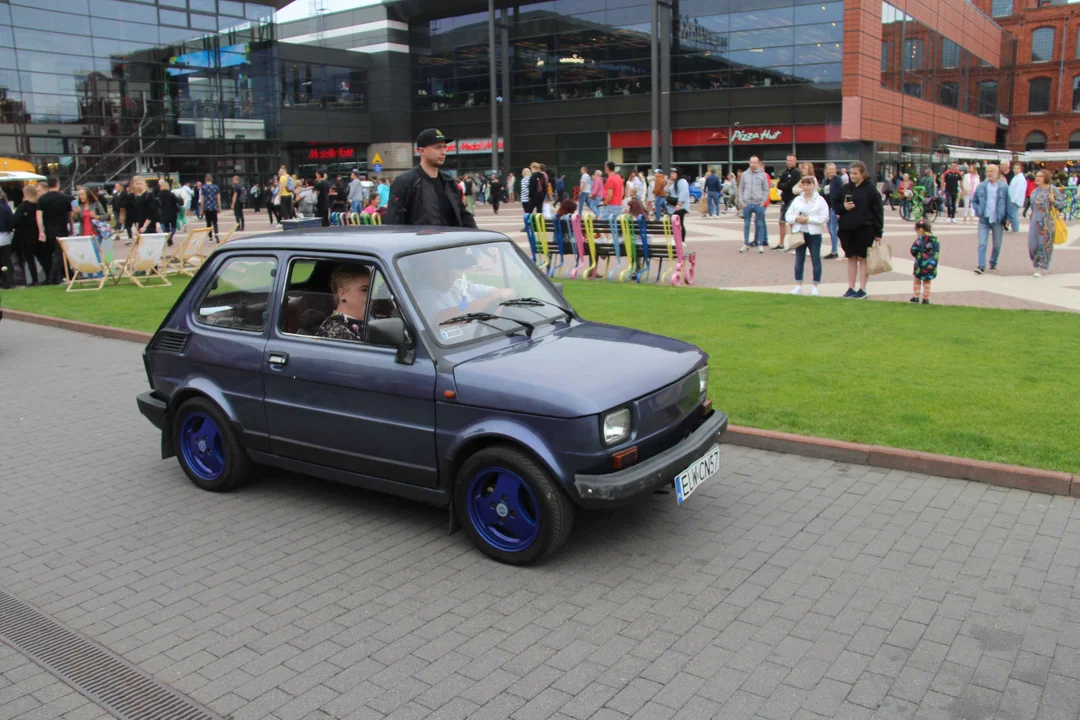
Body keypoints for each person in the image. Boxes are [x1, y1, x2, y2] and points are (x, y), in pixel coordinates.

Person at [386, 128, 478, 228]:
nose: (443, 152)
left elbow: (463, 215)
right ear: (422, 151)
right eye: (438, 147)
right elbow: (394, 221)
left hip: (450, 241)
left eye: (444, 147)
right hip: (421, 242)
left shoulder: (449, 182)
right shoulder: (405, 182)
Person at [834, 160, 883, 299]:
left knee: (862, 258)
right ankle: (850, 287)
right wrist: (844, 207)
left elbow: (878, 212)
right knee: (850, 257)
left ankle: (862, 288)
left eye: (855, 173)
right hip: (847, 228)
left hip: (865, 228)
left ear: (863, 173)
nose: (853, 176)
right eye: (851, 173)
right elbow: (836, 206)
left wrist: (878, 232)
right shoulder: (845, 188)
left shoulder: (871, 190)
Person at [784, 175, 829, 296]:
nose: (806, 187)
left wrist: (809, 219)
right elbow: (788, 215)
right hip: (800, 233)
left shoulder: (820, 200)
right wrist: (796, 218)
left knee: (815, 258)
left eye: (808, 184)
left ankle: (815, 285)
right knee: (799, 259)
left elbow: (824, 217)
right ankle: (798, 284)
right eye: (803, 185)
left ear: (814, 186)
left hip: (814, 233)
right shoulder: (797, 200)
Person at [316, 264, 371, 341]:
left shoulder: (367, 320)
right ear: (342, 294)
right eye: (364, 290)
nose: (372, 296)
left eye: (372, 290)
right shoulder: (336, 332)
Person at [970, 163, 1007, 274]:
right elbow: (974, 200)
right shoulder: (981, 186)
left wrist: (1008, 218)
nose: (989, 173)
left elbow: (1008, 203)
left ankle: (993, 262)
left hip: (997, 219)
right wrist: (977, 210)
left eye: (992, 171)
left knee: (996, 244)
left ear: (997, 173)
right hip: (984, 219)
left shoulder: (1003, 187)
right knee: (982, 243)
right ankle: (981, 265)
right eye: (988, 171)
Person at [36, 176, 73, 284]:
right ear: (57, 184)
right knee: (59, 254)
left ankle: (68, 274)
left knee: (56, 253)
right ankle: (53, 278)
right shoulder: (65, 198)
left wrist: (41, 231)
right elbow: (69, 215)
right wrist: (71, 226)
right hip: (62, 229)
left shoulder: (42, 199)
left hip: (49, 229)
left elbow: (38, 216)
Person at [1028, 169, 1064, 277]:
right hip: (1035, 221)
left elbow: (1062, 204)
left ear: (1046, 178)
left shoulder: (1052, 190)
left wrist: (1053, 201)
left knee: (1044, 245)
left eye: (1040, 176)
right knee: (1032, 245)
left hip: (1047, 222)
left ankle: (1041, 266)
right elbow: (1032, 206)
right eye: (1037, 176)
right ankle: (1036, 262)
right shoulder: (1034, 191)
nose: (1037, 178)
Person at [738, 156, 769, 253]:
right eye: (751, 162)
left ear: (758, 163)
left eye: (755, 162)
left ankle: (760, 244)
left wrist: (763, 201)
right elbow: (741, 188)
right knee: (746, 224)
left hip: (758, 203)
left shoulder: (763, 175)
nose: (753, 164)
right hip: (747, 203)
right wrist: (741, 201)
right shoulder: (744, 174)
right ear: (749, 163)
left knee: (760, 224)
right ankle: (745, 243)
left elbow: (766, 189)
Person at [13, 185, 41, 285]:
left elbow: (16, 221)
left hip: (25, 236)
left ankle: (34, 279)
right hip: (39, 234)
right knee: (42, 257)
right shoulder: (39, 205)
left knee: (30, 259)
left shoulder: (23, 207)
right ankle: (49, 276)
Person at [910, 218, 939, 304]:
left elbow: (913, 250)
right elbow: (937, 252)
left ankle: (916, 296)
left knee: (917, 279)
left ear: (921, 230)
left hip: (920, 264)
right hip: (931, 265)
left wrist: (918, 255)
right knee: (927, 281)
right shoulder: (935, 241)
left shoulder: (920, 240)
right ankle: (926, 298)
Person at [776, 154, 802, 250]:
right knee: (781, 222)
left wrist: (785, 185)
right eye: (788, 160)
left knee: (792, 222)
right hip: (784, 199)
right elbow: (779, 185)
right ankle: (781, 244)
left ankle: (793, 244)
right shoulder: (785, 172)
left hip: (792, 199)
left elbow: (791, 186)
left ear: (795, 161)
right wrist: (785, 185)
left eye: (791, 160)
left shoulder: (796, 172)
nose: (789, 162)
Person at [821, 163, 844, 259]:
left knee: (833, 229)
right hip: (827, 207)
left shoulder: (838, 180)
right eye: (829, 169)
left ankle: (835, 251)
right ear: (826, 170)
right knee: (830, 230)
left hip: (835, 207)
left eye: (833, 169)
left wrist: (840, 207)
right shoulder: (825, 181)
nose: (831, 171)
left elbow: (842, 192)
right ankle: (834, 249)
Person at [667, 168, 690, 238]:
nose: (672, 175)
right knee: (673, 223)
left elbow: (684, 192)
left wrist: (679, 204)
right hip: (673, 205)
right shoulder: (673, 182)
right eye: (671, 173)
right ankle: (676, 237)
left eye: (674, 173)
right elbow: (666, 191)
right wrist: (669, 184)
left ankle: (682, 239)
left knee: (679, 223)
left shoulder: (682, 181)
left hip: (680, 206)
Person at [158, 179, 182, 243]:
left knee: (166, 228)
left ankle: (168, 238)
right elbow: (178, 201)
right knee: (173, 227)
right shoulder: (171, 194)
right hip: (172, 213)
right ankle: (170, 237)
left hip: (164, 213)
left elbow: (159, 204)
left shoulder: (160, 195)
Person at [1006, 163, 1026, 233]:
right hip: (1012, 198)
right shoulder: (1016, 177)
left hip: (1015, 199)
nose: (1016, 170)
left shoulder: (1020, 178)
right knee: (1012, 214)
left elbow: (1018, 190)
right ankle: (1012, 226)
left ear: (1021, 169)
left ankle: (1015, 228)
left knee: (1014, 214)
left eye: (1017, 168)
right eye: (1014, 168)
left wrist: (1014, 199)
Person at [200, 174, 220, 240]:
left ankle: (210, 236)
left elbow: (202, 198)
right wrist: (219, 207)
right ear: (212, 179)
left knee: (208, 222)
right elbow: (218, 198)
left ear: (205, 179)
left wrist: (201, 208)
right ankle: (216, 234)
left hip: (207, 207)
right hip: (214, 206)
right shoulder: (216, 187)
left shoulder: (203, 187)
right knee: (215, 222)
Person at [0, 190, 13, 289]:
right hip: (6, 236)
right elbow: (10, 222)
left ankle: (3, 280)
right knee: (6, 260)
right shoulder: (6, 206)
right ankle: (8, 281)